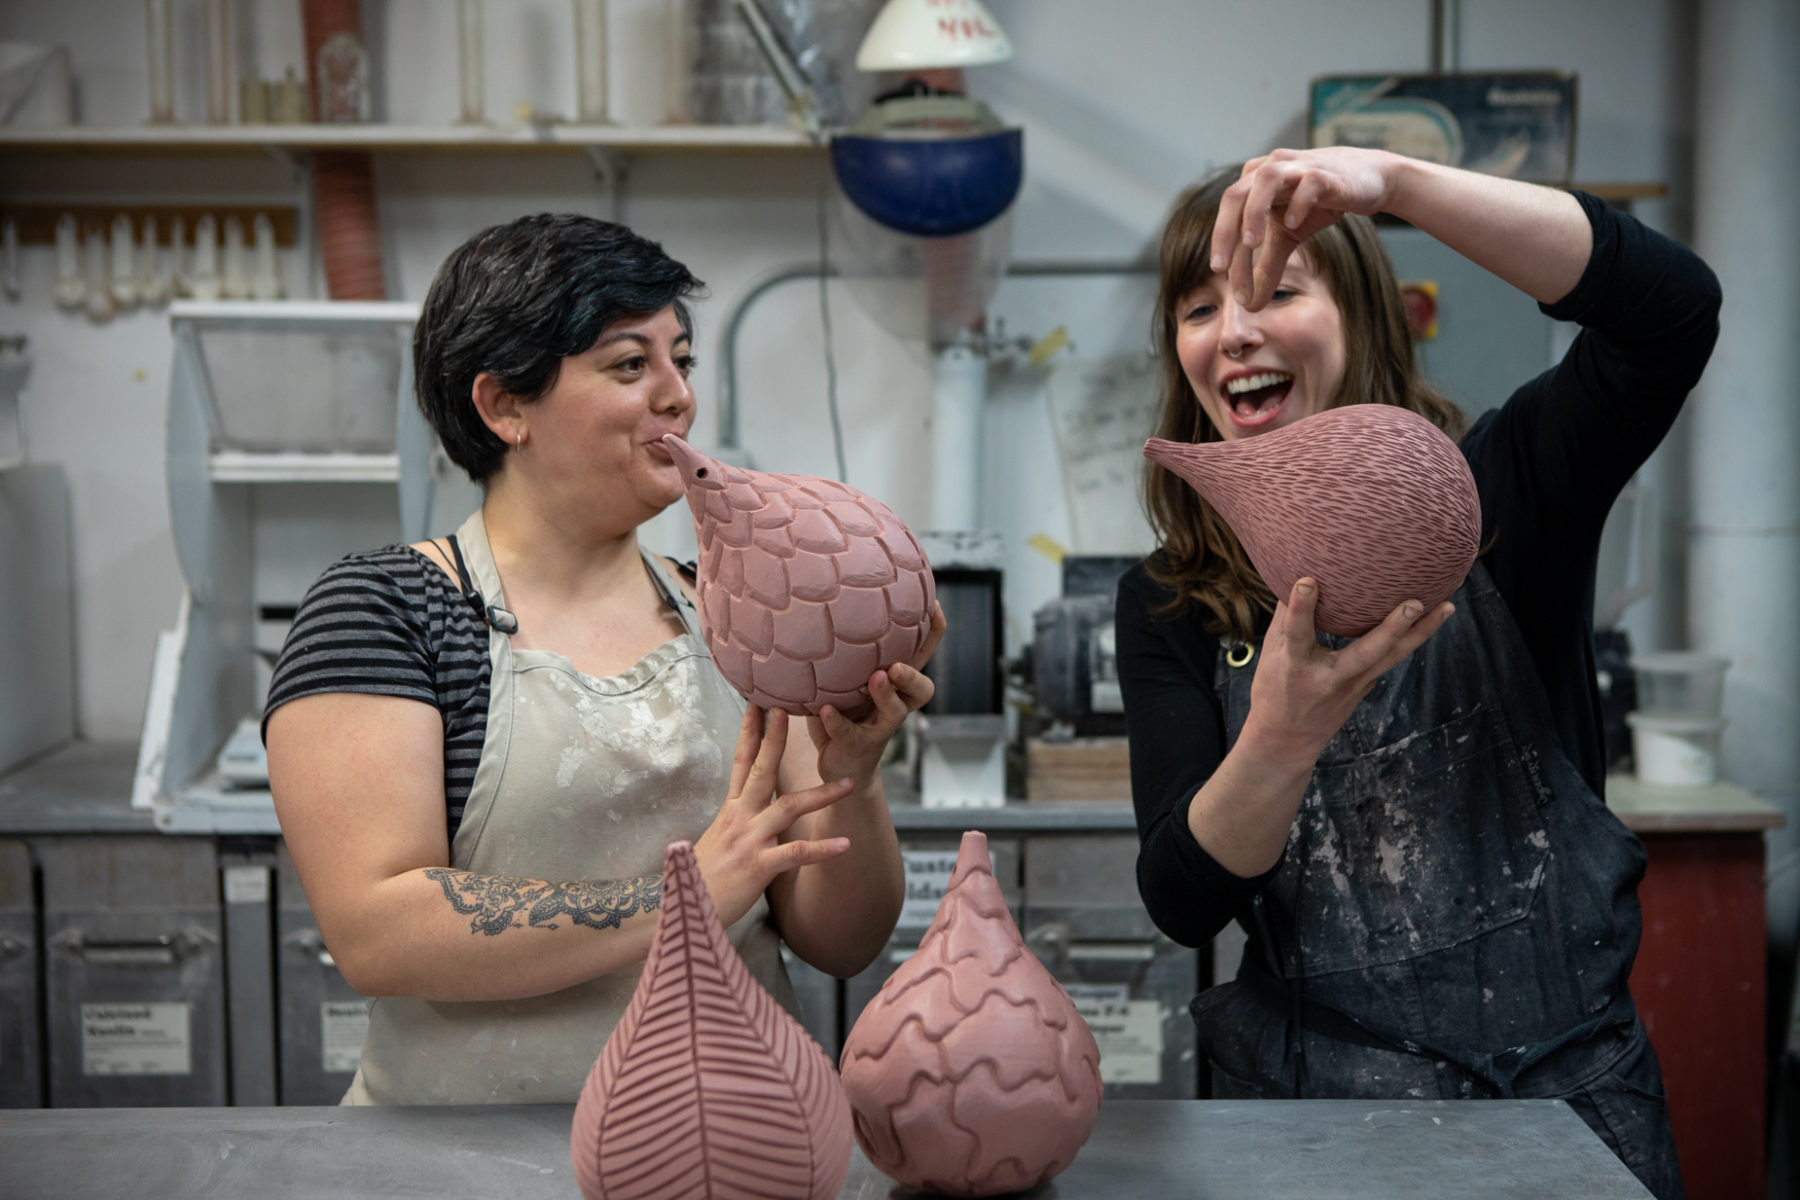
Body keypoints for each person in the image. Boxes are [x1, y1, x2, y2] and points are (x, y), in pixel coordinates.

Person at [1117, 147, 1719, 1199]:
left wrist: (1395, 186)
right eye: (1199, 308)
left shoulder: (1505, 491)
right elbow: (1180, 898)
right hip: (1308, 1130)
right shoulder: (1176, 597)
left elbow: (1670, 309)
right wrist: (1280, 738)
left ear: (1364, 318)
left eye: (1278, 289)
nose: (1237, 331)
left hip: (1563, 1123)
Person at [264, 213, 944, 1105]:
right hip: (466, 1158)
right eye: (631, 364)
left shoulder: (734, 611)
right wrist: (687, 896)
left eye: (682, 360)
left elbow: (841, 943)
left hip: (744, 1137)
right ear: (504, 405)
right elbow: (379, 931)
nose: (678, 397)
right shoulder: (386, 609)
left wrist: (855, 773)